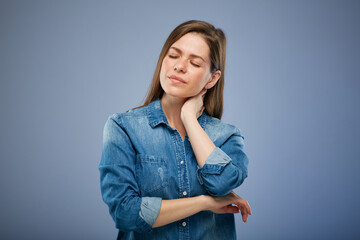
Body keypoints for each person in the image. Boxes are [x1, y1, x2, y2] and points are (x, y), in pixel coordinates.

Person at [99, 20, 251, 240]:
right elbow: (126, 214)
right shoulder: (123, 127)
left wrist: (189, 118)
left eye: (195, 63)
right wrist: (204, 203)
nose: (179, 66)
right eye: (173, 55)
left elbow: (222, 184)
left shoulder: (227, 136)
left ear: (212, 78)